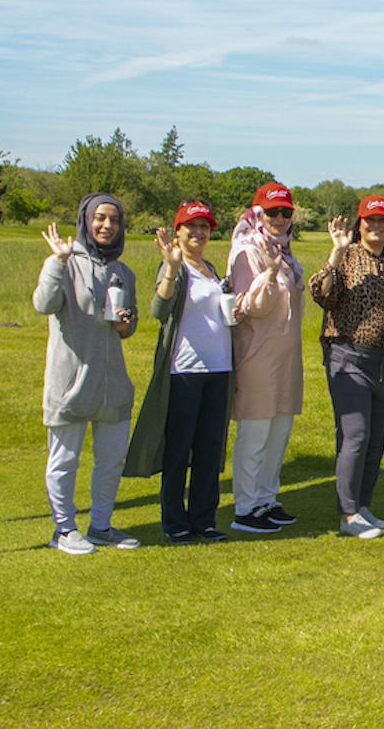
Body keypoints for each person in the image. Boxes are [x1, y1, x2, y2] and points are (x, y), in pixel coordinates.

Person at [35, 194, 140, 554]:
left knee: (111, 460)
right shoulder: (65, 263)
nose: (107, 226)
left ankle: (101, 526)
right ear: (85, 220)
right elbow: (43, 305)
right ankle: (63, 529)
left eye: (114, 220)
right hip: (72, 383)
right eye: (99, 218)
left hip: (113, 387)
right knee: (65, 460)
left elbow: (129, 326)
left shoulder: (123, 272)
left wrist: (126, 325)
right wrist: (56, 262)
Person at [125, 199, 235, 545]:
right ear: (178, 232)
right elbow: (159, 309)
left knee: (209, 448)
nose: (199, 233)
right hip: (184, 371)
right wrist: (170, 267)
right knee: (179, 449)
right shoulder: (177, 267)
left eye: (204, 227)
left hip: (219, 371)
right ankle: (175, 522)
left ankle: (204, 520)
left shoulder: (210, 269)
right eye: (192, 227)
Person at [310, 194, 384, 540]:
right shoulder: (347, 256)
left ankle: (362, 504)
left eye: (383, 220)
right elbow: (322, 294)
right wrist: (336, 252)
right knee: (355, 433)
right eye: (369, 220)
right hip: (349, 355)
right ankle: (348, 514)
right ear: (359, 223)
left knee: (376, 439)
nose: (376, 226)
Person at [227, 182, 306, 535]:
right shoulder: (247, 250)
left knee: (279, 429)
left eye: (285, 212)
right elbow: (250, 307)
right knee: (256, 431)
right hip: (257, 352)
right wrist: (270, 275)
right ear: (258, 213)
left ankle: (265, 498)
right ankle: (245, 507)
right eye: (271, 212)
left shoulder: (285, 252)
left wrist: (280, 269)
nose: (278, 218)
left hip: (285, 354)